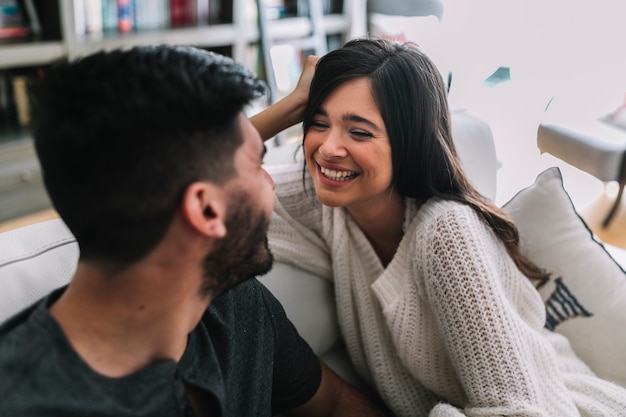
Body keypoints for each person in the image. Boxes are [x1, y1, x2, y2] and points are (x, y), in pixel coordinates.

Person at [0, 45, 388, 417]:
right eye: (257, 165)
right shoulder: (27, 401)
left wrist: (291, 109)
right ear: (205, 209)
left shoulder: (231, 301)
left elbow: (334, 404)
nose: (272, 185)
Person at [252, 37, 626, 416]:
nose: (328, 147)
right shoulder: (324, 200)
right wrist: (289, 108)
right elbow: (200, 181)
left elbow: (519, 408)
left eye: (359, 132)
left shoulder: (446, 233)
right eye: (318, 123)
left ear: (408, 142)